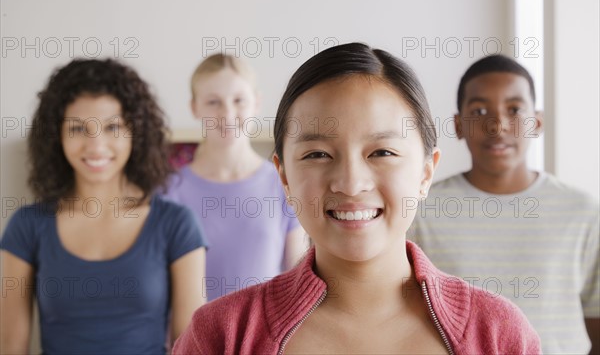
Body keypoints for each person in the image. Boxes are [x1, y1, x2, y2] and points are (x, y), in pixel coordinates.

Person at [173, 43, 541, 354]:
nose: (350, 183)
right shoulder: (219, 335)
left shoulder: (498, 334)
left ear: (426, 172)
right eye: (317, 154)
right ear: (283, 175)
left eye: (381, 152)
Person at [0, 58, 208, 354]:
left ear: (135, 133)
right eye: (78, 129)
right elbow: (11, 348)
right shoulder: (27, 226)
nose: (96, 146)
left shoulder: (177, 224)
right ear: (56, 135)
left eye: (112, 127)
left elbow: (191, 347)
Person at [409, 54, 600, 354]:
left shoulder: (583, 212)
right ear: (458, 125)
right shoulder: (420, 210)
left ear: (536, 122)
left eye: (514, 109)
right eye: (480, 110)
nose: (497, 125)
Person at [164, 54, 307, 302]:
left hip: (266, 337)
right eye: (213, 102)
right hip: (194, 338)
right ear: (194, 107)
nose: (227, 113)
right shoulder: (170, 190)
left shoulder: (285, 184)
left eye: (239, 100)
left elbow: (297, 281)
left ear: (256, 103)